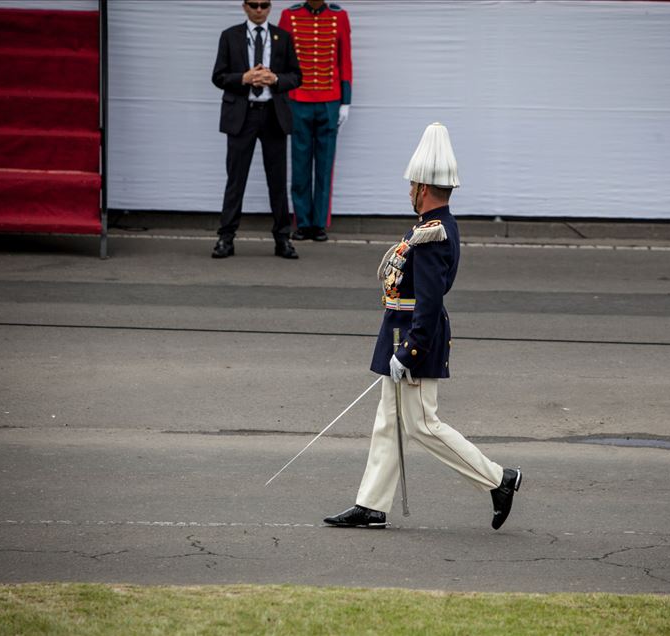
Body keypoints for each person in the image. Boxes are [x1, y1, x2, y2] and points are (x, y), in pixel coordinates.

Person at [323, 123, 523, 531]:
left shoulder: (432, 233)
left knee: (422, 425)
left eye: (412, 184)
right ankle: (372, 505)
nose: (409, 189)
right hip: (403, 332)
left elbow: (429, 303)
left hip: (414, 337)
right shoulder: (429, 226)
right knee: (389, 422)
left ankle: (498, 480)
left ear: (423, 188)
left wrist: (410, 350)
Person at [211, 1, 302, 259]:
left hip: (273, 114)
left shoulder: (282, 37)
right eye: (254, 5)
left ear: (270, 7)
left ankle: (282, 239)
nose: (259, 9)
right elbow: (218, 76)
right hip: (242, 114)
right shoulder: (230, 36)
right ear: (245, 7)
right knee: (236, 179)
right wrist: (244, 78)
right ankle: (225, 238)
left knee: (277, 181)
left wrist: (275, 79)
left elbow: (296, 76)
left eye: (264, 5)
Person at [278, 1, 352, 242]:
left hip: (329, 101)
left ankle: (319, 224)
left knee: (324, 166)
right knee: (299, 165)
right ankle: (302, 222)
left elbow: (345, 59)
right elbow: (282, 59)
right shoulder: (289, 16)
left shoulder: (339, 16)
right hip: (298, 99)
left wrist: (346, 101)